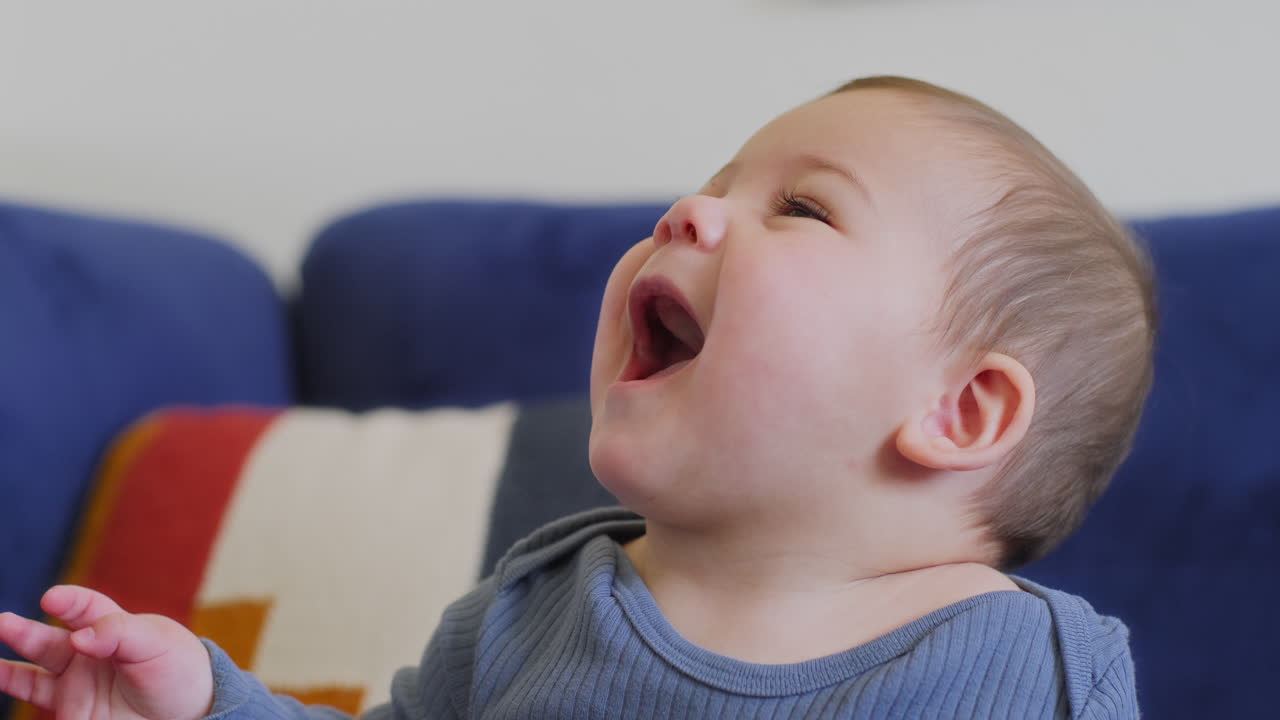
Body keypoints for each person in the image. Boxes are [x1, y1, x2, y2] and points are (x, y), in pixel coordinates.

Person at [0, 76, 1154, 719]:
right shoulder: (532, 609)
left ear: (959, 412)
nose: (685, 214)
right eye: (710, 187)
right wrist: (206, 705)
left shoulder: (1032, 670)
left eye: (800, 209)